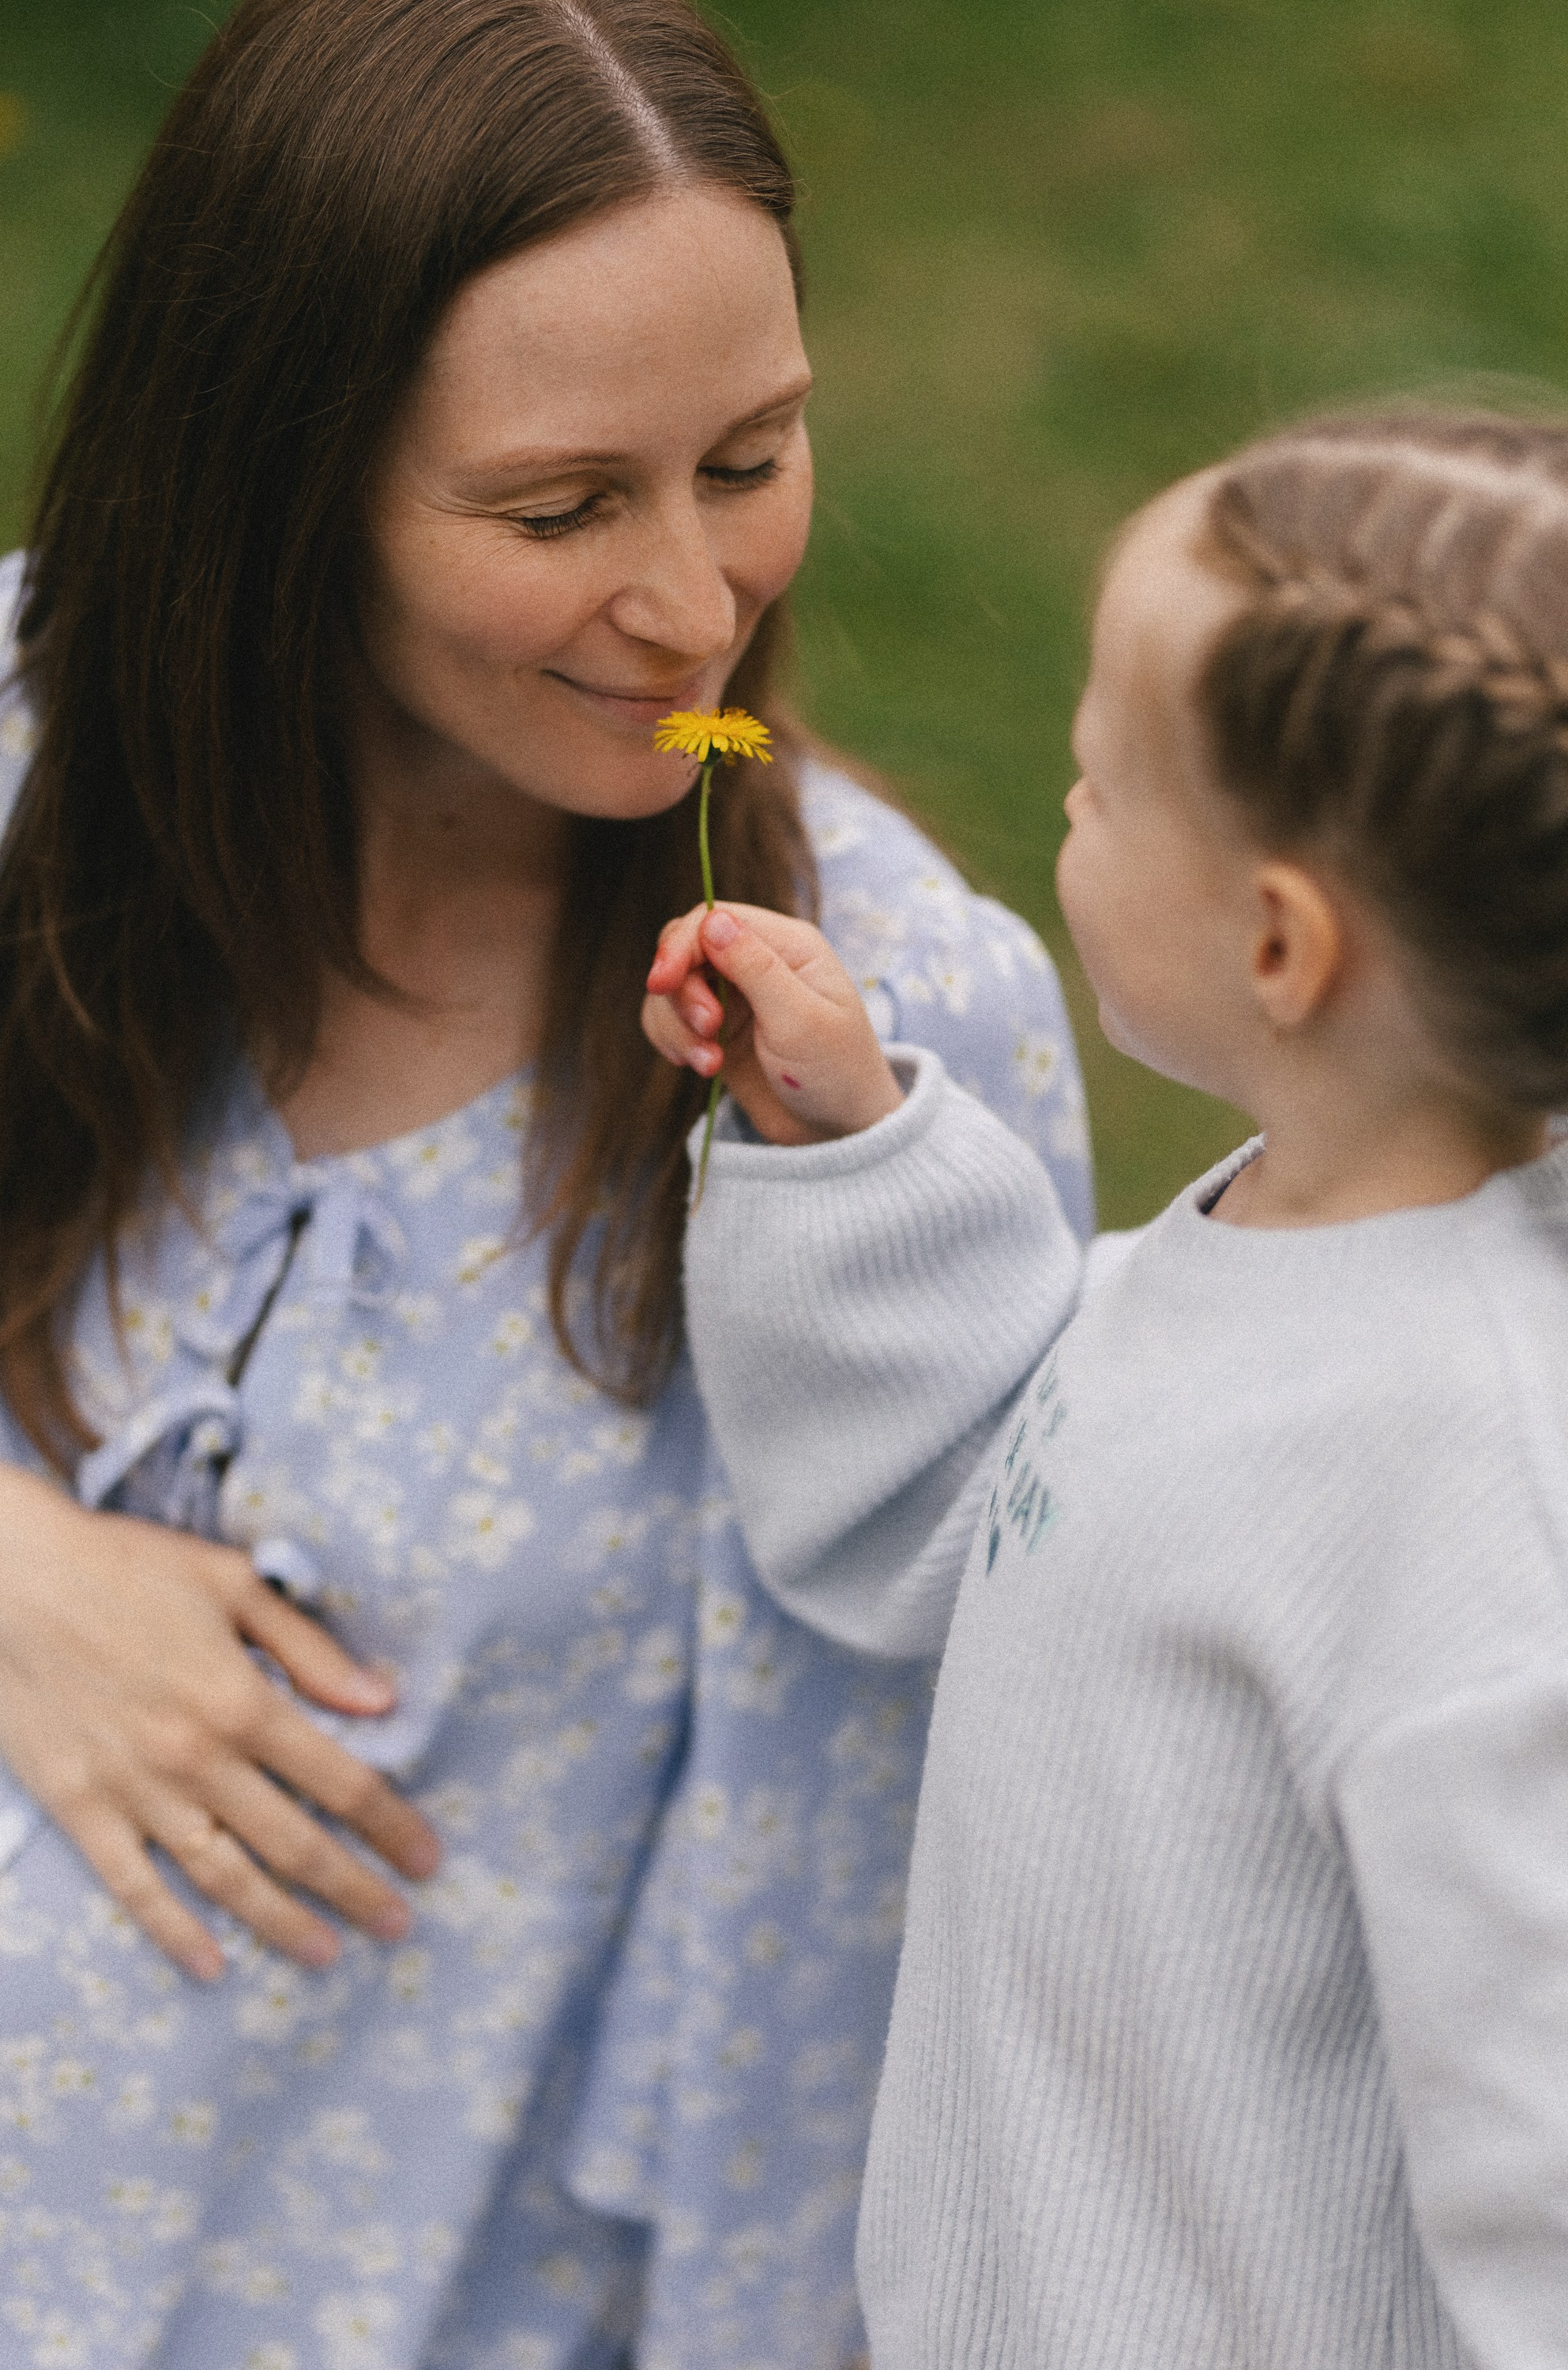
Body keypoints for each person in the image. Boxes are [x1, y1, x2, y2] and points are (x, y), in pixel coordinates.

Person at [0, 2, 1093, 2363]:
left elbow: (946, 1739)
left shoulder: (888, 1033)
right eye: (560, 507)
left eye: (753, 457)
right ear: (275, 481)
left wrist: (857, 1208)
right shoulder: (19, 762)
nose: (697, 606)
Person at [646, 404, 1568, 2368]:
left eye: (1095, 784)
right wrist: (849, 1152)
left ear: (1276, 941)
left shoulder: (1480, 1510)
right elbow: (1003, 1524)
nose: (1060, 811)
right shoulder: (1267, 1254)